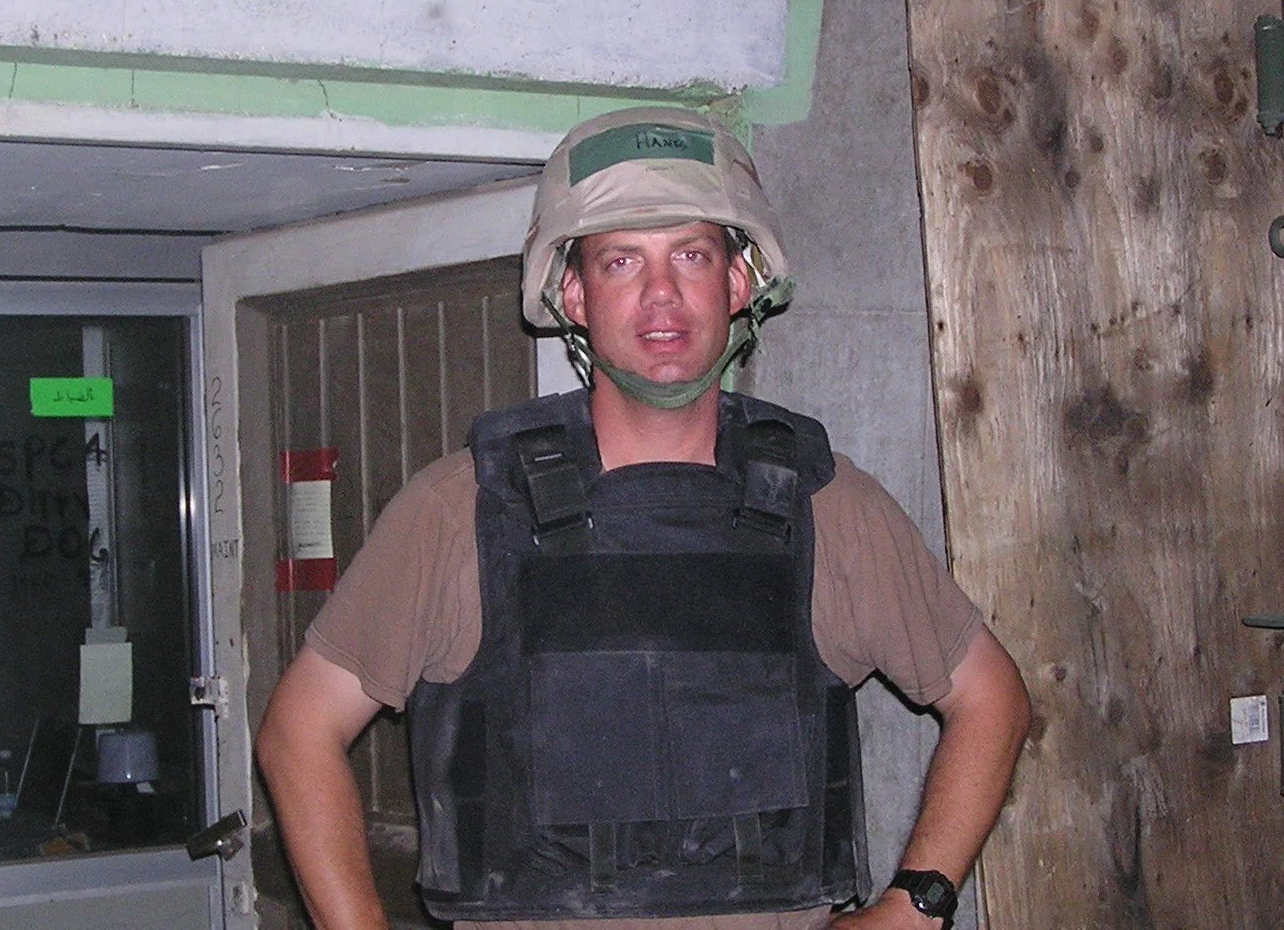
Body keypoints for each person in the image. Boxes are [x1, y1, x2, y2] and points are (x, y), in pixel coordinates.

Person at [256, 107, 1030, 930]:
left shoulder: (826, 508)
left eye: (690, 254)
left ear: (737, 282)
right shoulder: (462, 511)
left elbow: (992, 698)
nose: (661, 293)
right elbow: (297, 733)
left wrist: (915, 909)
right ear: (573, 292)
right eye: (621, 260)